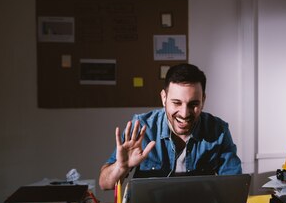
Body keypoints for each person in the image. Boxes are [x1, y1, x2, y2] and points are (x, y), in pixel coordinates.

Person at [99, 63, 242, 190]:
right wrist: (121, 167)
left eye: (193, 104)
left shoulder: (218, 130)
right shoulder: (143, 127)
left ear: (203, 100)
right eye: (177, 103)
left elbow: (235, 185)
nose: (184, 113)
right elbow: (105, 185)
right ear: (164, 98)